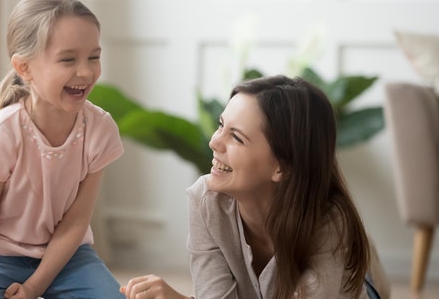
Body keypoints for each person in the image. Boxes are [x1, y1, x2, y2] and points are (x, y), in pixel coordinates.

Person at [0, 0, 125, 299]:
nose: (85, 71)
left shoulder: (100, 129)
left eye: (94, 57)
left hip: (69, 258)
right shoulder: (3, 130)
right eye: (68, 59)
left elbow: (76, 221)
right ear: (24, 68)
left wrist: (35, 286)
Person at [121, 75, 390, 299]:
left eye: (236, 137)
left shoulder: (329, 221)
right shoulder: (205, 199)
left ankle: (363, 258)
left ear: (282, 167)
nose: (214, 142)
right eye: (221, 125)